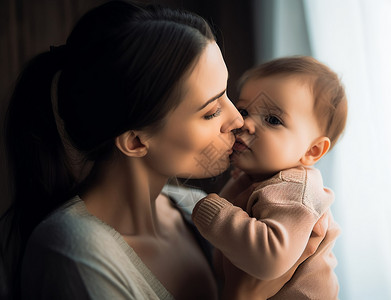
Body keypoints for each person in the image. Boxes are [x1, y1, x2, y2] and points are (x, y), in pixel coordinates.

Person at [0, 1, 299, 299]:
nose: (238, 120)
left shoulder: (199, 209)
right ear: (136, 142)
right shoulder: (73, 253)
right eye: (211, 112)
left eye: (227, 95)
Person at [192, 56, 348, 299]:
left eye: (273, 120)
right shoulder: (260, 177)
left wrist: (211, 211)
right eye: (244, 111)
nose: (247, 124)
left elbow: (269, 259)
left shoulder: (295, 190)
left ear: (312, 151)